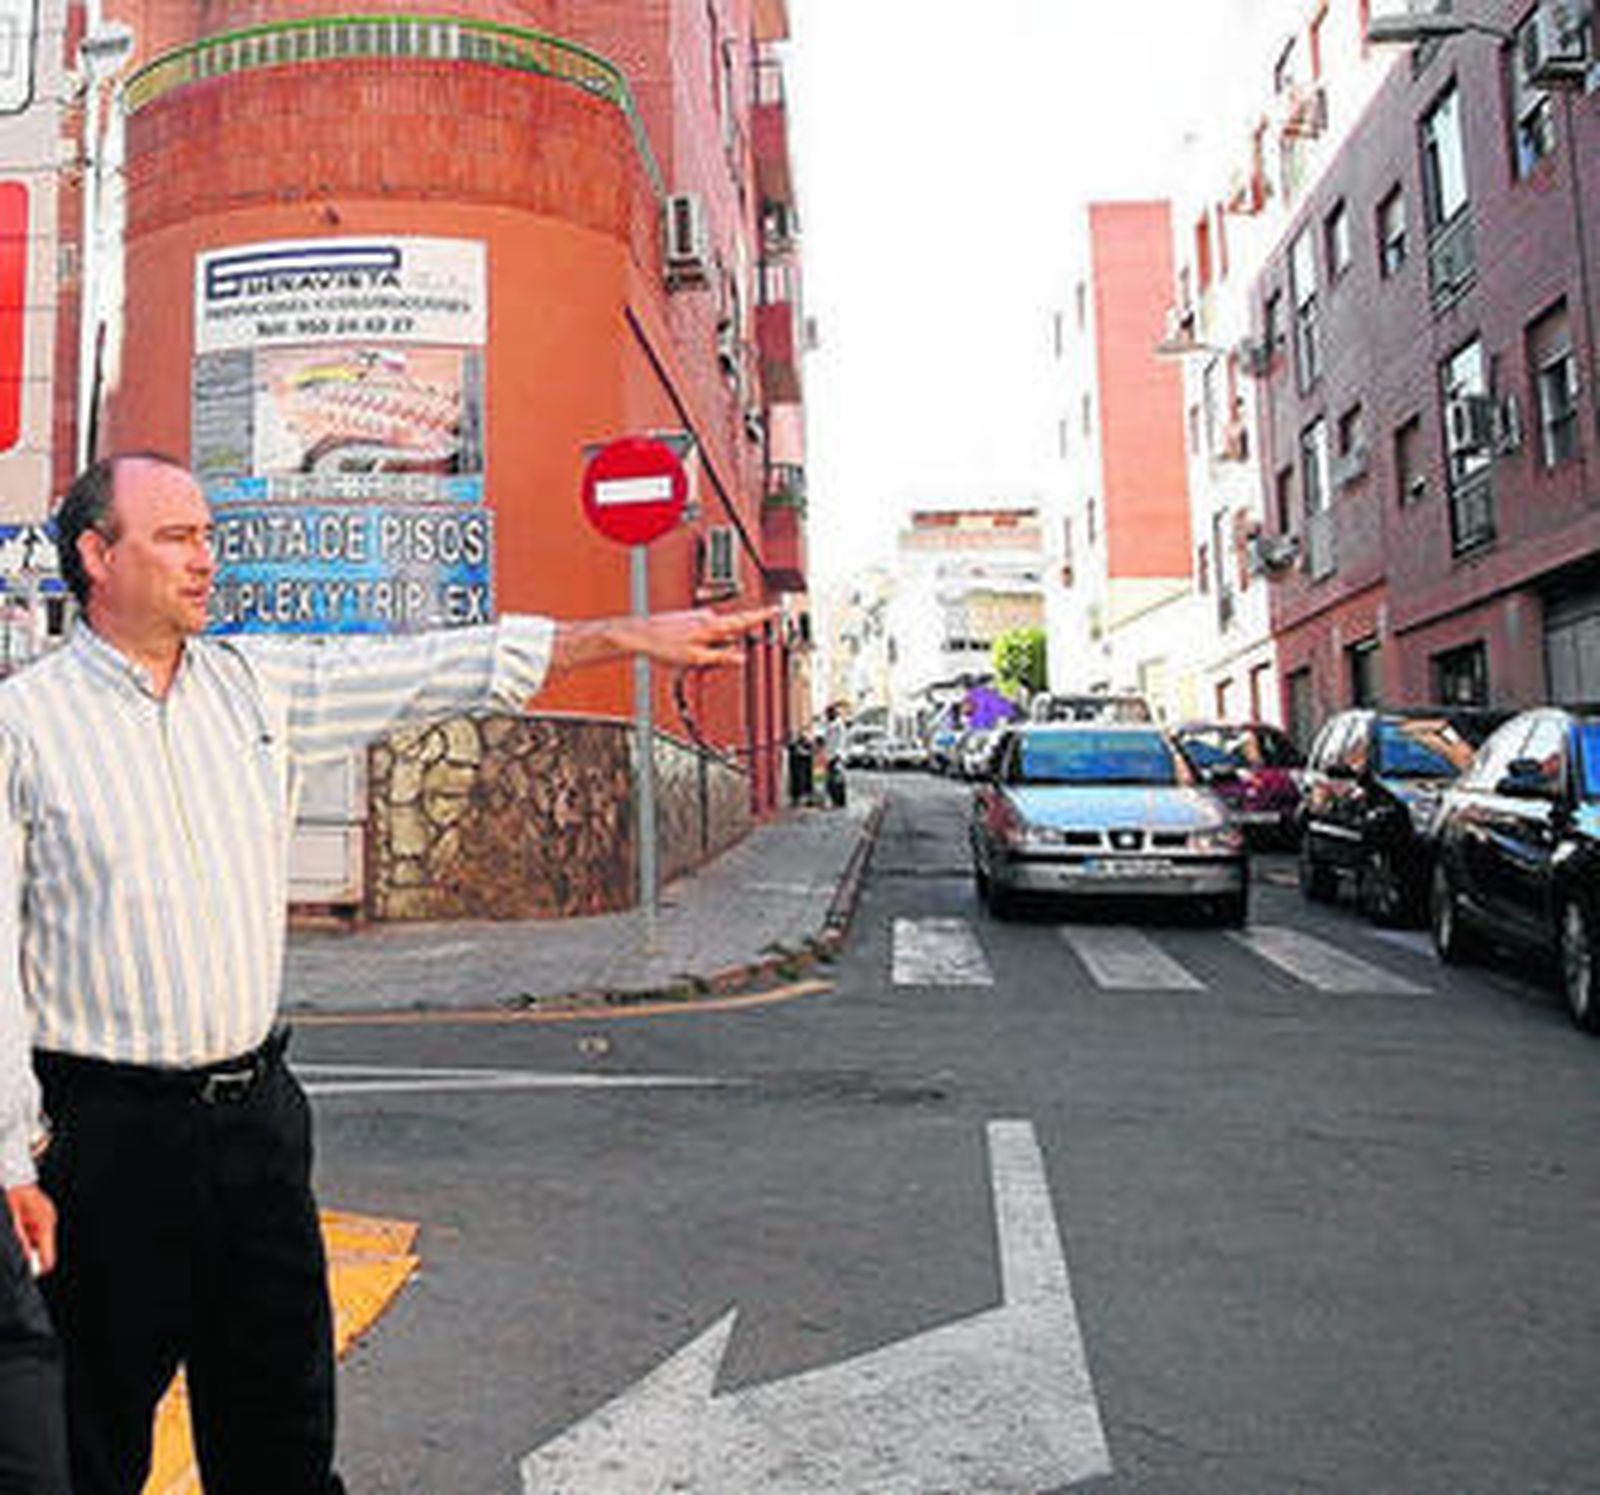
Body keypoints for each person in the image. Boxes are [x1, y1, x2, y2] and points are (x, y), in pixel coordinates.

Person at [0, 451, 764, 1495]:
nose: (205, 558)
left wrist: (620, 637)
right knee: (93, 1438)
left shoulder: (259, 687)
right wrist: (9, 1156)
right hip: (106, 1137)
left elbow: (431, 666)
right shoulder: (25, 725)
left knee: (281, 1433)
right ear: (96, 554)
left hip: (255, 1123)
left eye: (209, 534)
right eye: (175, 536)